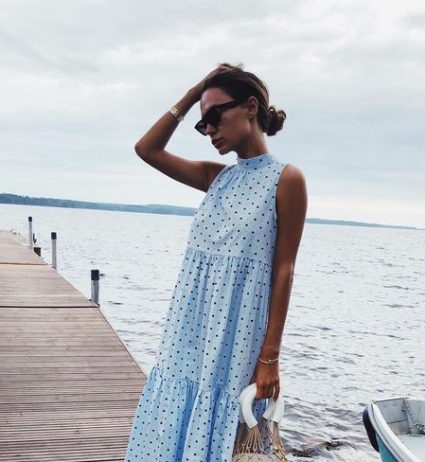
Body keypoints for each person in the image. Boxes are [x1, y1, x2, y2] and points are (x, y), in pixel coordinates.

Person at [124, 63, 307, 461]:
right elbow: (147, 149)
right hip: (188, 328)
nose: (208, 129)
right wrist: (195, 93)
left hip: (236, 335)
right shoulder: (217, 177)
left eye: (214, 116)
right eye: (202, 123)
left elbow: (284, 270)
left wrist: (270, 357)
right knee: (171, 420)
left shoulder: (286, 180)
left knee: (225, 432)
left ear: (250, 107)